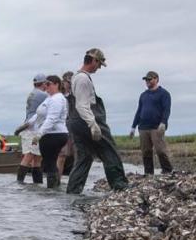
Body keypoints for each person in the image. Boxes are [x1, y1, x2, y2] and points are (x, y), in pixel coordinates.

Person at [66, 49, 128, 194]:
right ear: (93, 61)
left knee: (84, 157)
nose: (99, 68)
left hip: (75, 122)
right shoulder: (83, 79)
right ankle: (119, 185)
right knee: (109, 150)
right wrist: (93, 125)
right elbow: (82, 105)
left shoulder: (75, 77)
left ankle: (73, 191)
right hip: (87, 120)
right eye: (99, 64)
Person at [129, 71, 173, 175]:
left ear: (156, 79)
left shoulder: (164, 94)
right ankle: (148, 173)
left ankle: (167, 170)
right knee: (146, 151)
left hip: (157, 127)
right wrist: (133, 127)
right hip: (143, 127)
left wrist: (163, 122)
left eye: (150, 79)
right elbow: (139, 111)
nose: (147, 81)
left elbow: (167, 109)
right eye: (146, 80)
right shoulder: (143, 95)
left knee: (160, 150)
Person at [35, 75, 69, 189]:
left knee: (50, 163)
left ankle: (52, 191)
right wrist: (25, 126)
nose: (46, 86)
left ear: (56, 84)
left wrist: (39, 133)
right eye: (45, 84)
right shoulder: (50, 98)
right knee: (51, 163)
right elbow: (38, 115)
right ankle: (54, 189)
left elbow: (52, 118)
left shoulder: (57, 99)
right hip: (50, 134)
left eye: (48, 84)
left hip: (54, 135)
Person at [13, 74, 48, 184]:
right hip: (33, 128)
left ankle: (36, 183)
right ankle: (20, 182)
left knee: (37, 157)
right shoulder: (43, 95)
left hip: (29, 127)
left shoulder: (33, 93)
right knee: (30, 156)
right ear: (43, 83)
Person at [55, 71, 76, 181]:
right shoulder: (59, 96)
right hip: (63, 127)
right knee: (61, 156)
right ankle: (57, 181)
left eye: (70, 81)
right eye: (67, 81)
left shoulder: (75, 96)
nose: (68, 83)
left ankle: (75, 180)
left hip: (74, 126)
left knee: (77, 155)